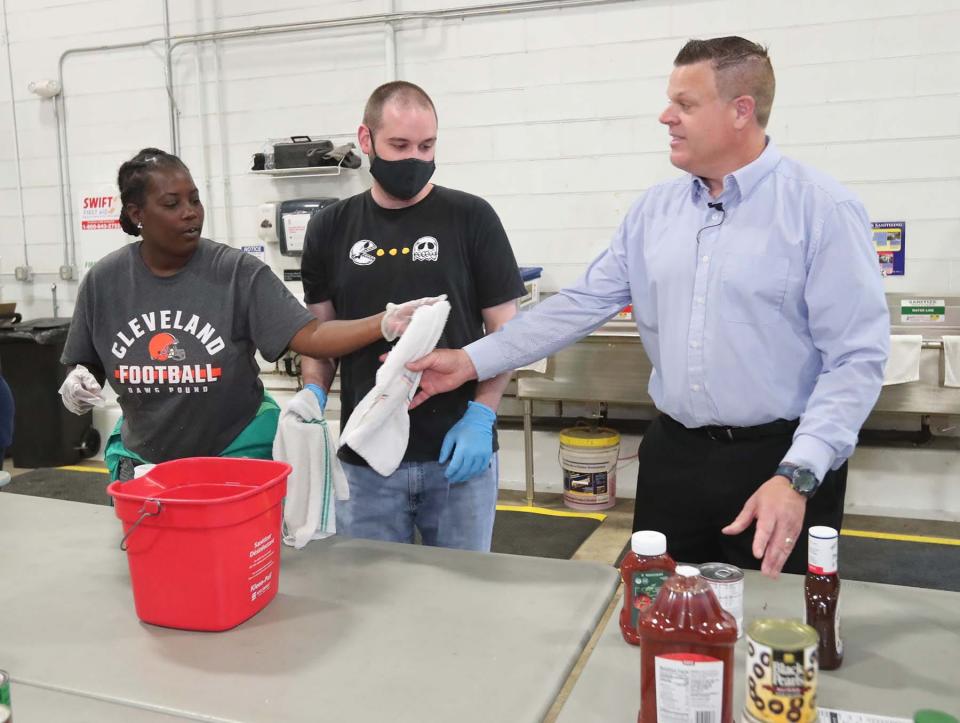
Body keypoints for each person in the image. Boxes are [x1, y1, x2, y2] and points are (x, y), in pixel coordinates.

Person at [408, 37, 890, 577]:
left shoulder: (820, 211)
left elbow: (855, 359)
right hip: (675, 458)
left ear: (740, 111)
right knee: (663, 624)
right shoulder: (655, 212)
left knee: (771, 631)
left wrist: (799, 475)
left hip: (778, 464)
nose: (666, 117)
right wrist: (471, 361)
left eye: (685, 104)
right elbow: (580, 304)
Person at [59, 148, 435, 481]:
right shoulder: (104, 282)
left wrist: (384, 323)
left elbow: (312, 337)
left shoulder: (236, 272)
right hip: (143, 455)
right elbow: (86, 361)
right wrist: (78, 379)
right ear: (137, 213)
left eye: (195, 200)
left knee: (232, 555)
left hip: (233, 444)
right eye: (172, 204)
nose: (190, 213)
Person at [298, 81, 525, 552]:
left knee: (461, 597)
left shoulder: (471, 217)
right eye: (399, 146)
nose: (415, 159)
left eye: (427, 146)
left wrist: (481, 415)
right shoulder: (330, 229)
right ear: (366, 141)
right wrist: (312, 397)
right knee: (370, 600)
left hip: (456, 455)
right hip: (367, 458)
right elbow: (319, 338)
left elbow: (507, 333)